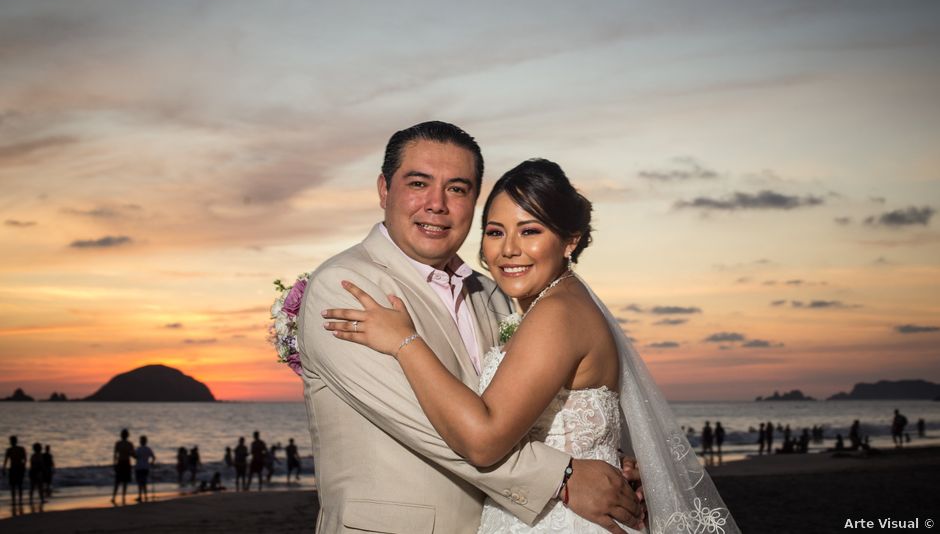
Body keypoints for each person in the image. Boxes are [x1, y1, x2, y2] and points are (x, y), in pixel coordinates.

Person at [322, 157, 738, 533]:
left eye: (530, 231)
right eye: (496, 232)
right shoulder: (534, 304)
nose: (509, 250)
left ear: (569, 241)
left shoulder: (557, 313)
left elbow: (483, 439)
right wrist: (613, 460)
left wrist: (404, 341)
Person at [300, 122, 647, 534]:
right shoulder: (346, 289)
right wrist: (565, 476)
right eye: (418, 183)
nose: (437, 204)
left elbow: (532, 404)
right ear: (383, 190)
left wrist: (603, 457)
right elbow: (433, 428)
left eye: (457, 189)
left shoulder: (495, 292)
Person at [111, 428, 134, 504]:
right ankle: (119, 497)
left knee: (120, 481)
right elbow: (133, 454)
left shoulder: (120, 443)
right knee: (122, 481)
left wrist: (114, 464)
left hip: (123, 462)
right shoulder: (128, 444)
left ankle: (116, 497)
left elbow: (115, 455)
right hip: (124, 462)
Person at [134, 435, 156, 502]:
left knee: (140, 482)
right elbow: (153, 457)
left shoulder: (138, 449)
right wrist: (152, 462)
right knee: (144, 482)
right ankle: (145, 496)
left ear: (140, 441)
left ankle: (140, 496)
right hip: (146, 467)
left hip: (139, 467)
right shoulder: (148, 449)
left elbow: (135, 457)